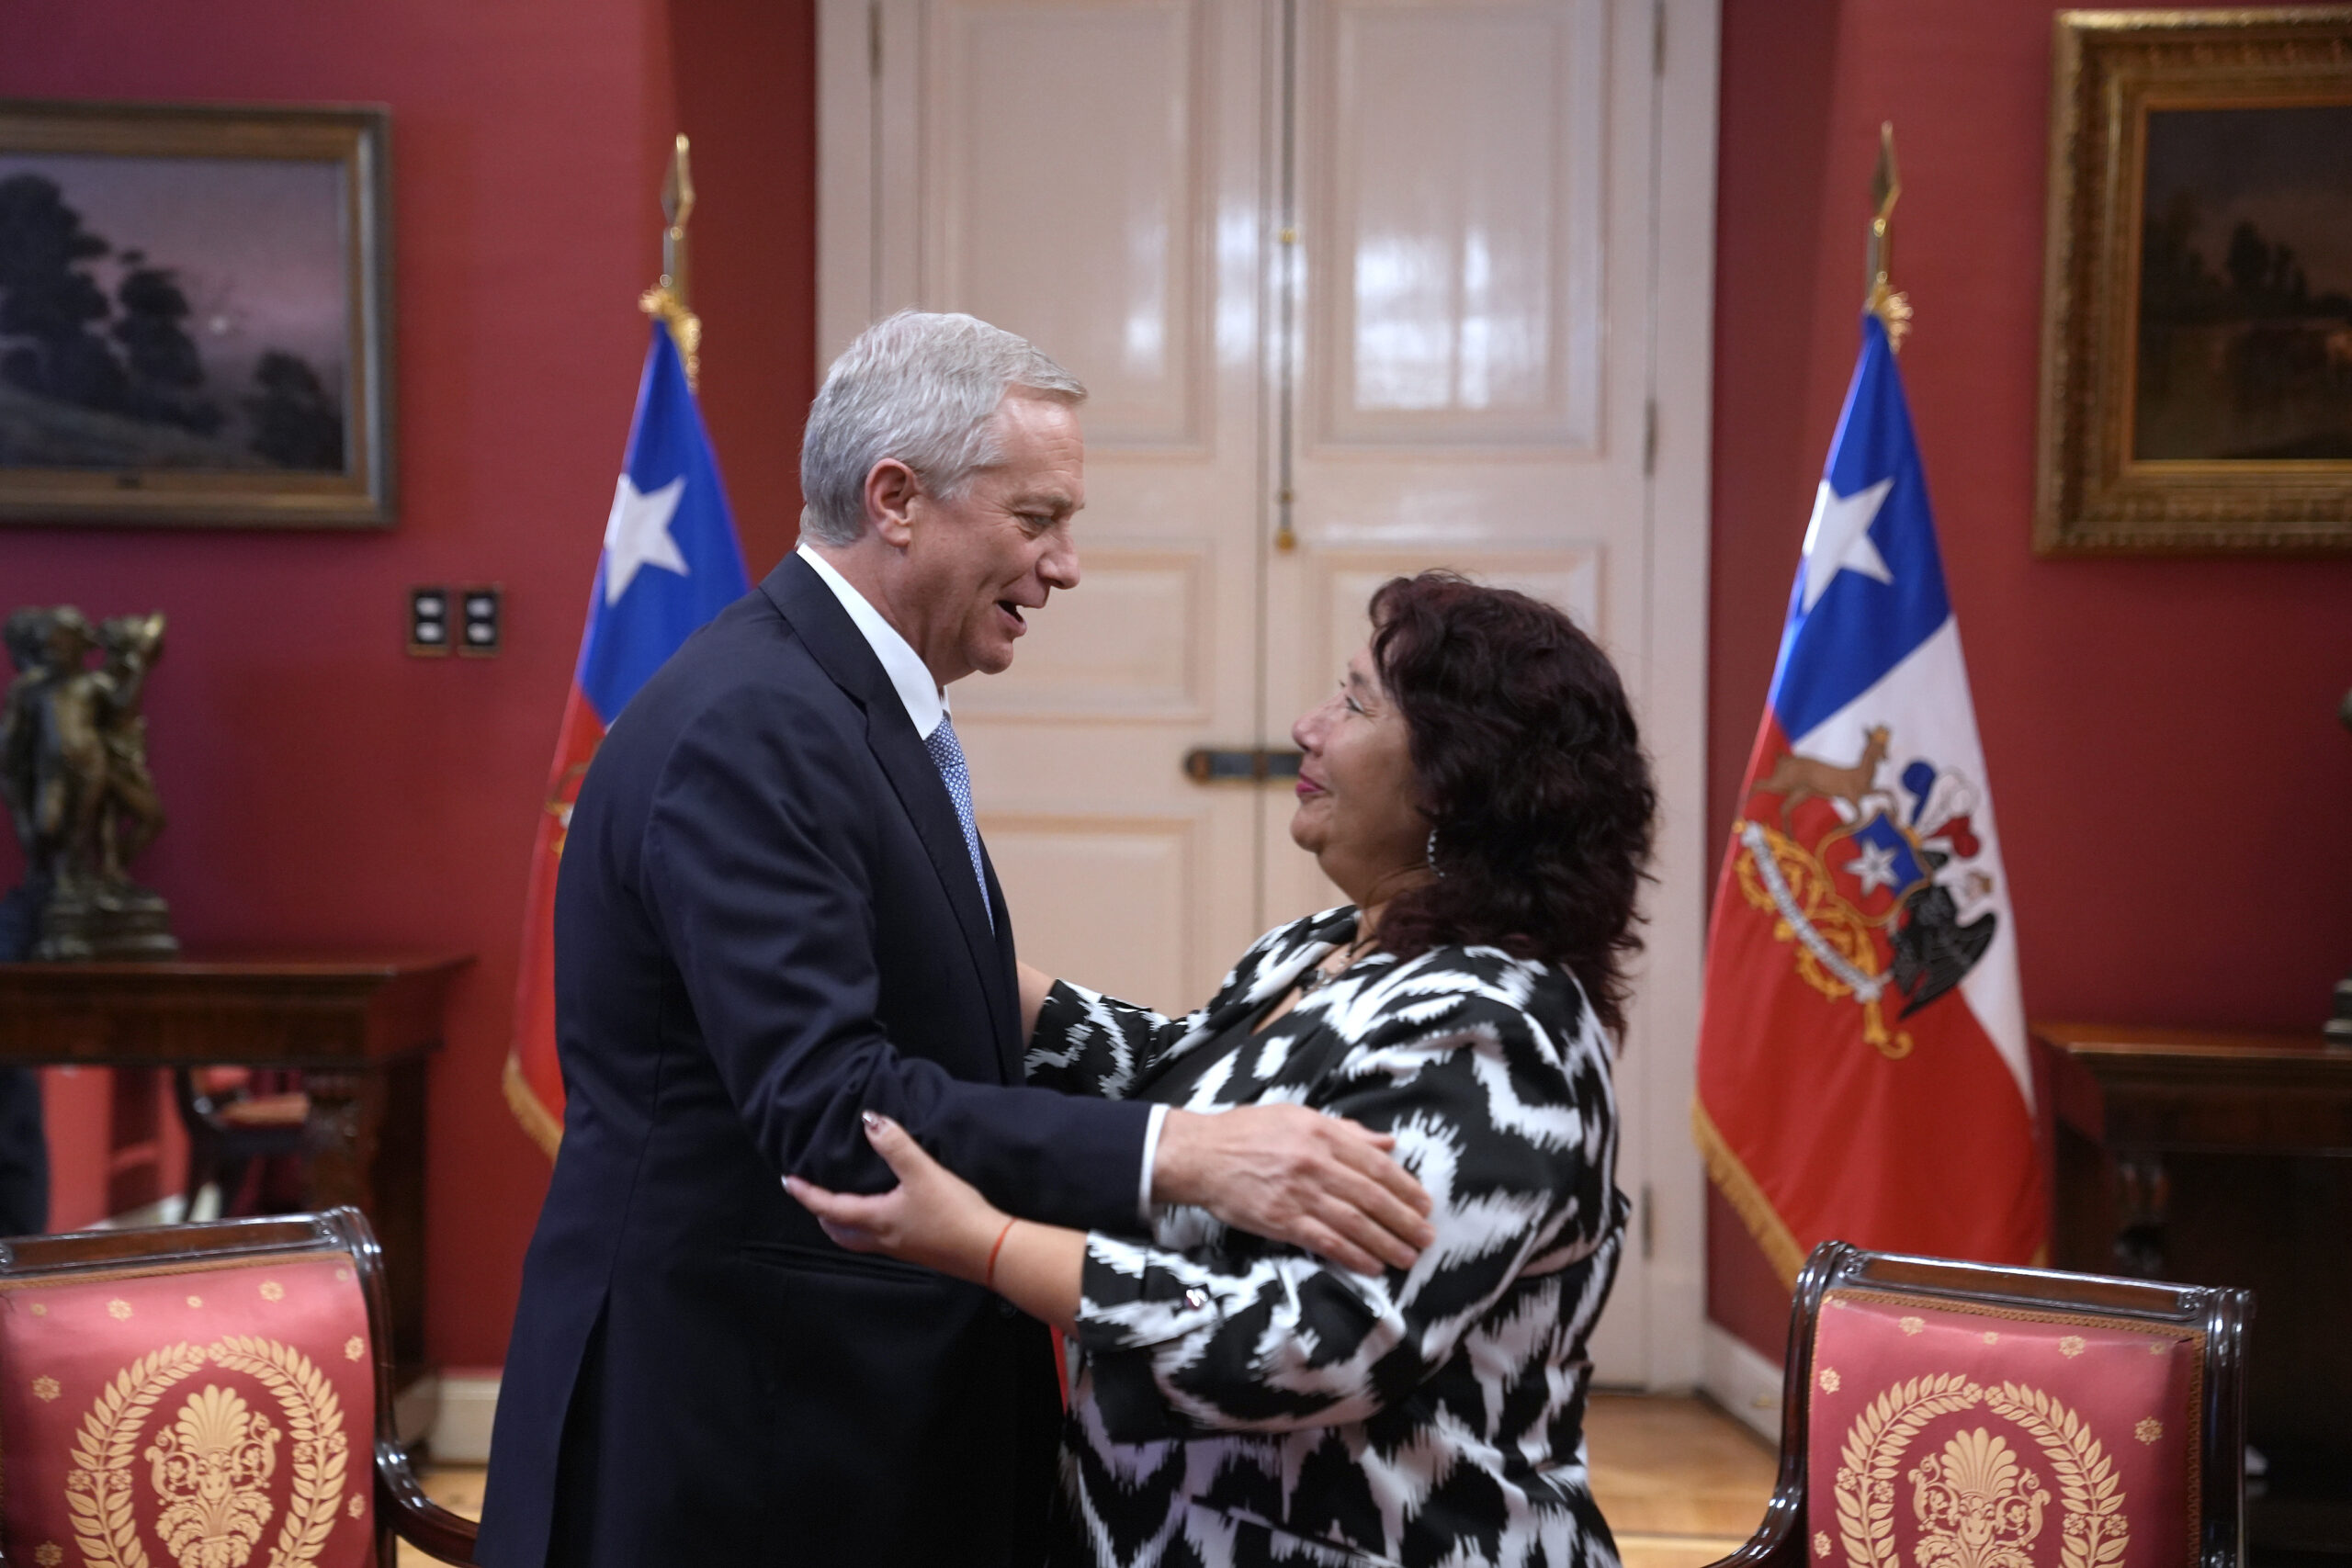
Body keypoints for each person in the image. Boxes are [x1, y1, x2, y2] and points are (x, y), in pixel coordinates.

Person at [477, 312, 1434, 1568]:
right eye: (1037, 518)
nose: (1066, 566)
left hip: (841, 1418)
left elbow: (946, 1006)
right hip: (733, 1434)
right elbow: (833, 1110)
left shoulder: (843, 700)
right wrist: (1181, 1154)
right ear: (897, 500)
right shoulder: (755, 726)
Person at [792, 571, 1657, 1568]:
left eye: (1353, 702)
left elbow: (1315, 1345)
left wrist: (988, 1245)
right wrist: (936, 931)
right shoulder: (1322, 948)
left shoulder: (1494, 1032)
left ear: (1456, 779)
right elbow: (1170, 1083)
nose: (1306, 727)